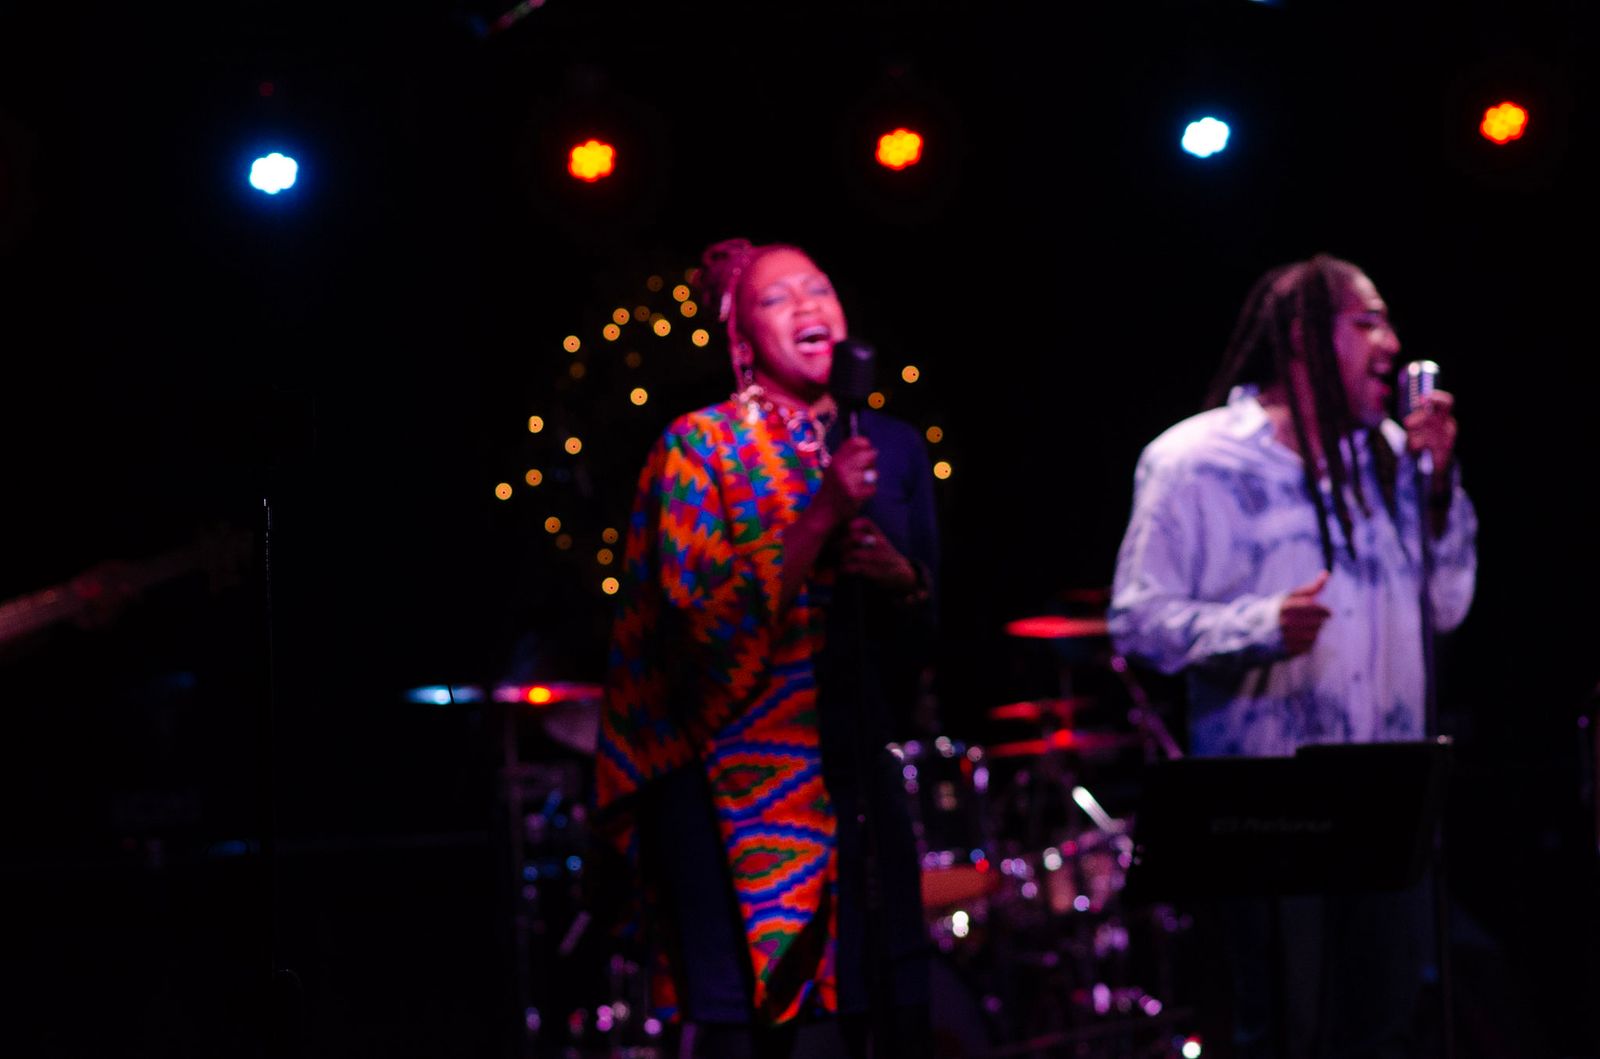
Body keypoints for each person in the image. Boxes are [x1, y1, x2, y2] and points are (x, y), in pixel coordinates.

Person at [1107, 254, 1478, 1057]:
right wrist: (1259, 625)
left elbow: (1446, 606)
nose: (1391, 342)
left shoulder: (1390, 456)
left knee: (1386, 1030)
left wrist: (1439, 485)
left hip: (1387, 800)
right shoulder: (1197, 459)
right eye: (1367, 321)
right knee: (1286, 1031)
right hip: (1271, 811)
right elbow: (1137, 619)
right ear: (1306, 335)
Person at [595, 237, 940, 1058]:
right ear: (743, 341)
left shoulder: (889, 446)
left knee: (888, 1009)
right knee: (757, 1036)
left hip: (858, 770)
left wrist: (901, 579)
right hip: (733, 786)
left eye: (818, 288)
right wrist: (820, 517)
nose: (808, 306)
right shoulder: (697, 447)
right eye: (777, 299)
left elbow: (931, 627)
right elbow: (695, 626)